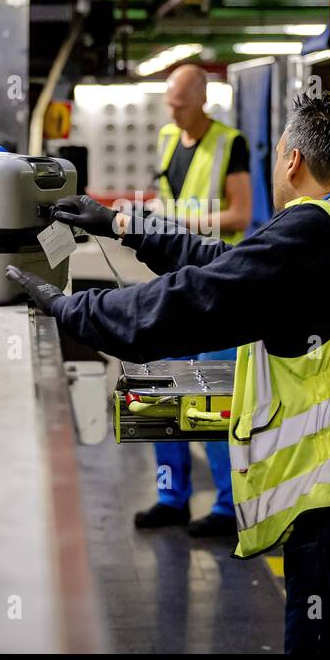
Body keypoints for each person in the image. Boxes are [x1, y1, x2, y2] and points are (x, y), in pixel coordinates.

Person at [6, 93, 330, 654]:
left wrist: (72, 309)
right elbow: (228, 262)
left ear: (291, 160)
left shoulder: (313, 229)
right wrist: (123, 224)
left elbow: (198, 298)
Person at [137, 64, 252, 538]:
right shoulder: (167, 138)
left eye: (181, 102)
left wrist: (180, 220)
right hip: (174, 280)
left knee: (213, 397)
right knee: (163, 387)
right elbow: (166, 198)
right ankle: (171, 496)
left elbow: (241, 213)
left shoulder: (231, 143)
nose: (173, 109)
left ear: (201, 99)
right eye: (169, 101)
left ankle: (229, 506)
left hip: (215, 285)